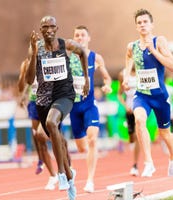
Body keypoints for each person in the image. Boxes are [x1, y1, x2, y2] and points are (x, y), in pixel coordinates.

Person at [24, 16, 89, 200]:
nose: (49, 30)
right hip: (43, 99)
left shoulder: (65, 45)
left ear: (57, 28)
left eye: (52, 27)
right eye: (45, 27)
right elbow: (29, 80)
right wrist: (34, 54)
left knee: (52, 123)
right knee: (57, 139)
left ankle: (61, 173)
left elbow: (82, 53)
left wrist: (87, 79)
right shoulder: (35, 47)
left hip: (64, 95)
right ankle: (70, 177)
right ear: (41, 29)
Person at [123, 8, 173, 178]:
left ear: (151, 24)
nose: (142, 25)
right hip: (142, 95)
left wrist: (153, 51)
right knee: (139, 120)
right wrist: (126, 77)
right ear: (136, 27)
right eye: (139, 23)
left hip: (160, 96)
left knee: (165, 133)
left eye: (145, 22)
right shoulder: (132, 46)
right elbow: (128, 60)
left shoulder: (159, 41)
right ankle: (148, 162)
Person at [69, 25, 112, 193]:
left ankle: (90, 180)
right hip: (74, 108)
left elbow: (107, 78)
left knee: (92, 139)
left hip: (89, 105)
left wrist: (107, 86)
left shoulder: (96, 57)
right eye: (77, 35)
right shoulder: (68, 58)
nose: (80, 38)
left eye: (82, 35)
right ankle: (86, 159)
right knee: (81, 147)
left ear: (88, 38)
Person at [17, 58, 59, 190]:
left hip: (49, 102)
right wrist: (23, 95)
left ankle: (65, 167)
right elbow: (23, 85)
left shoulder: (49, 59)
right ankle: (53, 175)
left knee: (55, 138)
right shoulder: (26, 63)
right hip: (34, 103)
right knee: (38, 139)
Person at [117, 64, 140, 176]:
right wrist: (125, 106)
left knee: (138, 134)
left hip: (140, 107)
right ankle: (126, 142)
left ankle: (135, 165)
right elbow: (119, 94)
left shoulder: (142, 72)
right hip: (129, 109)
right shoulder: (123, 74)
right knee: (131, 138)